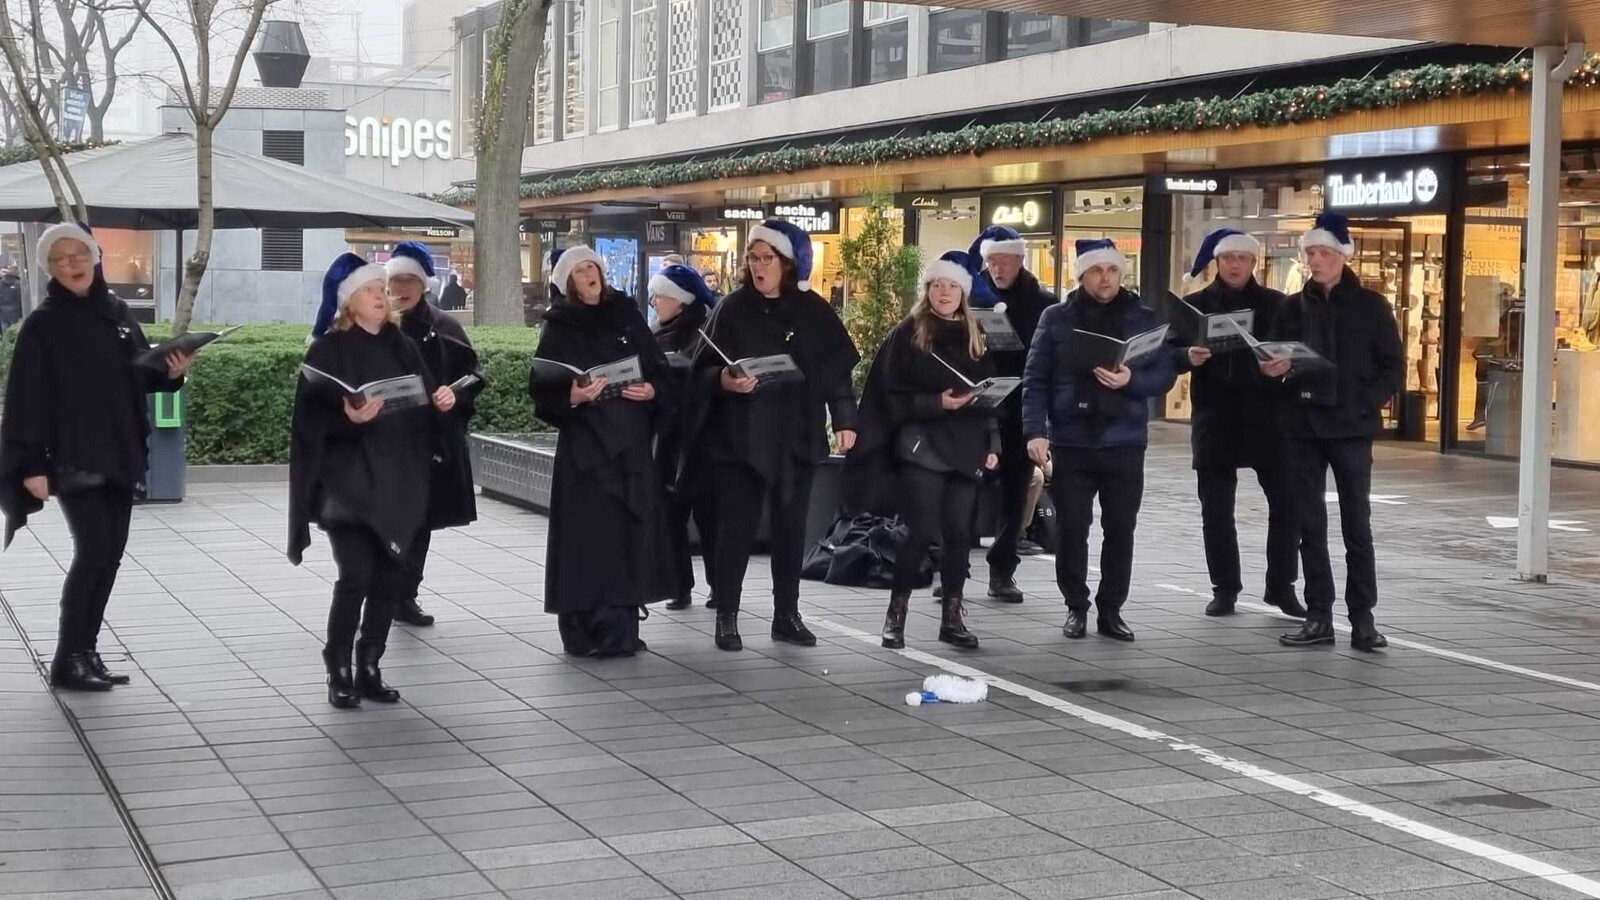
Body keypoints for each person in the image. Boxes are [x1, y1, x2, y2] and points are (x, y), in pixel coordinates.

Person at [0, 223, 191, 691]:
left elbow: (142, 375)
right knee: (94, 553)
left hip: (121, 451)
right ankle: (68, 660)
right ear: (50, 268)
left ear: (95, 256)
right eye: (60, 259)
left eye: (79, 255)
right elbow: (25, 398)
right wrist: (31, 466)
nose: (72, 264)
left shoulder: (118, 311)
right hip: (72, 456)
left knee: (109, 557)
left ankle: (87, 651)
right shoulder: (43, 324)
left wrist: (173, 374)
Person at [684, 219, 859, 652]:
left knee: (790, 529)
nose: (759, 267)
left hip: (795, 432)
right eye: (753, 259)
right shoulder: (732, 308)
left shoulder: (814, 310)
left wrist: (846, 421)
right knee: (735, 531)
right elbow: (700, 368)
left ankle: (787, 615)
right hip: (740, 438)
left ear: (788, 263)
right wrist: (724, 380)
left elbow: (836, 373)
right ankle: (727, 614)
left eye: (768, 259)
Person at [290, 253, 454, 708]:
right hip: (348, 486)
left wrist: (439, 402)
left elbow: (422, 400)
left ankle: (370, 664)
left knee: (388, 578)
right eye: (370, 291)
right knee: (355, 576)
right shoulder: (326, 351)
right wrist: (350, 420)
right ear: (348, 303)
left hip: (399, 480)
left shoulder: (402, 345)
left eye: (382, 291)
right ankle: (338, 667)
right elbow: (308, 427)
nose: (381, 298)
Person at [1023, 238, 1176, 642]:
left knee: (1120, 528)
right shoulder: (1056, 318)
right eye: (1096, 271)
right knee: (1073, 528)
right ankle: (1076, 606)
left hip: (1124, 440)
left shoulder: (1142, 317)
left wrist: (1132, 381)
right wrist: (1035, 431)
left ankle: (1112, 609)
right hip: (1073, 438)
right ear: (1082, 275)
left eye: (1111, 270)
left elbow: (1165, 374)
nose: (1105, 278)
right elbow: (1035, 379)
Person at [1265, 212, 1404, 652]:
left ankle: (1363, 618)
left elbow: (1393, 365)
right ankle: (1318, 615)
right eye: (1310, 252)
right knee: (1310, 525)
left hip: (1350, 427)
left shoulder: (1370, 306)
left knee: (1356, 525)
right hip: (1302, 426)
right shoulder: (1291, 307)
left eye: (1325, 252)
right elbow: (1271, 358)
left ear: (1343, 257)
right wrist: (1274, 369)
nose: (1317, 260)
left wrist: (1365, 400)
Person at [848, 250, 997, 650]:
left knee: (959, 535)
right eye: (937, 285)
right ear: (927, 290)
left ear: (963, 293)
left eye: (951, 286)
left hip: (967, 446)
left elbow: (990, 396)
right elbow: (885, 395)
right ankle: (895, 615)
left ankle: (953, 616)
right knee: (920, 531)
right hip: (922, 448)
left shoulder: (977, 333)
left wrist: (993, 444)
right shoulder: (908, 332)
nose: (944, 292)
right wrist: (936, 404)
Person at [530, 246, 674, 657]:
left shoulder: (626, 315)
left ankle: (621, 629)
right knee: (586, 540)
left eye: (593, 266)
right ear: (568, 282)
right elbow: (543, 388)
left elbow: (658, 369)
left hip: (629, 445)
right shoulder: (558, 326)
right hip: (586, 452)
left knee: (626, 536)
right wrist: (572, 396)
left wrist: (652, 389)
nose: (590, 273)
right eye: (580, 270)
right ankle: (583, 630)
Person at [1175, 229, 1307, 619]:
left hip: (1268, 416)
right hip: (1215, 417)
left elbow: (1297, 353)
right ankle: (1225, 588)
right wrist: (1186, 356)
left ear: (1254, 263)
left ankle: (1282, 587)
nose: (1235, 265)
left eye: (1243, 259)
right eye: (1228, 258)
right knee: (1216, 511)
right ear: (1217, 262)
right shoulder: (1195, 305)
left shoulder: (1277, 305)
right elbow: (1167, 352)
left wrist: (1284, 366)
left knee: (1287, 504)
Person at [387, 241, 484, 628]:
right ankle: (380, 590)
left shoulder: (445, 326)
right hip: (382, 442)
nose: (402, 288)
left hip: (428, 443)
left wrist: (453, 394)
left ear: (424, 284)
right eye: (396, 279)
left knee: (419, 521)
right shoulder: (374, 323)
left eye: (410, 279)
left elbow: (473, 375)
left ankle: (405, 593)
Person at [969, 225, 1055, 603]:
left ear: (1021, 260)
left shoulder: (1043, 302)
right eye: (992, 261)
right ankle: (952, 567)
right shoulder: (969, 294)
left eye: (1006, 261)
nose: (999, 269)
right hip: (975, 406)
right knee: (963, 487)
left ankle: (1002, 570)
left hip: (1022, 406)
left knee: (1016, 490)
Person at [648, 263, 719, 611]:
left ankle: (719, 585)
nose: (654, 302)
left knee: (708, 514)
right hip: (669, 437)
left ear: (680, 301)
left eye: (660, 295)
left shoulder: (702, 334)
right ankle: (679, 584)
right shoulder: (654, 334)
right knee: (671, 513)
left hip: (701, 437)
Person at [0, 265, 22, 331]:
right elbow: (21, 300)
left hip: (3, 314)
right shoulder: (19, 284)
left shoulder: (0, 283)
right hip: (16, 313)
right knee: (16, 332)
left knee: (5, 333)